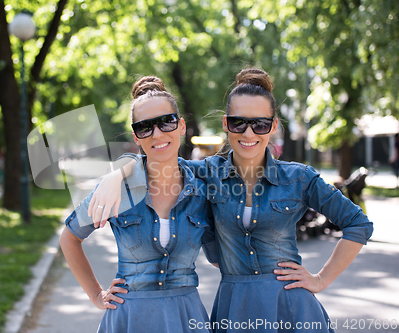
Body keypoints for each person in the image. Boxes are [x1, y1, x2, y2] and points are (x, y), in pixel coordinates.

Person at [88, 68, 373, 333]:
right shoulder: (206, 173)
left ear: (273, 126)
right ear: (226, 124)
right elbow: (159, 159)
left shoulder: (299, 178)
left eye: (260, 124)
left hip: (292, 308)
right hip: (235, 308)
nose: (248, 133)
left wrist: (320, 279)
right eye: (239, 123)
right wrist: (119, 172)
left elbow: (358, 224)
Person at [60, 76, 217, 333]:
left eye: (166, 121)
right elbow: (69, 238)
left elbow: (222, 258)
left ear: (181, 126)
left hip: (186, 318)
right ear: (136, 136)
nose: (157, 134)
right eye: (145, 127)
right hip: (129, 319)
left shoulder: (201, 192)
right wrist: (96, 295)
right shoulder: (116, 189)